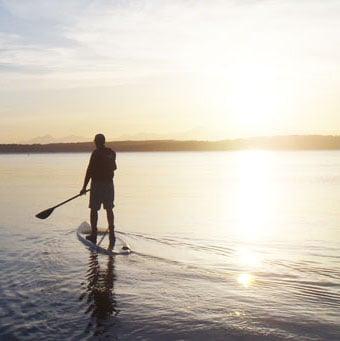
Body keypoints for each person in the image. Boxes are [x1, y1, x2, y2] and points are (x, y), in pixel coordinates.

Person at [80, 133, 117, 249]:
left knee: (94, 209)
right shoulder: (111, 153)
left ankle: (94, 234)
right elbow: (114, 168)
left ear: (96, 142)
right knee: (109, 209)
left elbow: (89, 170)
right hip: (109, 185)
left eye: (95, 141)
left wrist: (84, 187)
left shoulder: (96, 153)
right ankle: (112, 234)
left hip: (97, 185)